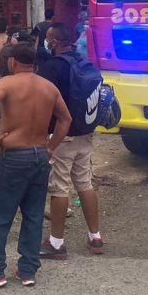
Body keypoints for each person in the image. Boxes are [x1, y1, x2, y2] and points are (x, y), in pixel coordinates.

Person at [0, 42, 71, 287]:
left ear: (12, 62)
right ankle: (28, 270)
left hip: (14, 156)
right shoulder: (49, 87)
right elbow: (65, 119)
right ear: (35, 63)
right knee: (34, 214)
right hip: (39, 156)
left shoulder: (6, 83)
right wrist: (51, 147)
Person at [38, 23, 105, 258]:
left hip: (62, 136)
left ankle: (56, 242)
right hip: (85, 134)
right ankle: (95, 237)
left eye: (47, 39)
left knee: (59, 187)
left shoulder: (53, 67)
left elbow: (40, 101)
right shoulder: (83, 62)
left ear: (54, 42)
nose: (46, 42)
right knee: (84, 183)